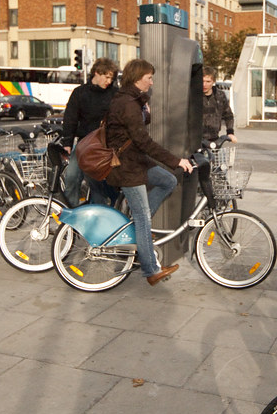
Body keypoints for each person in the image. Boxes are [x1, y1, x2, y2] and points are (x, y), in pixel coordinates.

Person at [105, 59, 193, 286]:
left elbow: (135, 128)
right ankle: (150, 270)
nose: (152, 83)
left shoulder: (133, 100)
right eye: (149, 78)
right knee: (144, 218)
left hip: (136, 161)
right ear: (136, 78)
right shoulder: (127, 103)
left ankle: (138, 229)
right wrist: (176, 160)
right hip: (126, 167)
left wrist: (146, 109)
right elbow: (143, 141)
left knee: (167, 181)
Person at [60, 57, 119, 205]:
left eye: (112, 78)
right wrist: (67, 142)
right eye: (107, 77)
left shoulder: (114, 94)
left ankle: (99, 216)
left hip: (104, 147)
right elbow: (70, 118)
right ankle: (71, 217)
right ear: (97, 73)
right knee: (72, 178)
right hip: (84, 144)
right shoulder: (80, 93)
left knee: (97, 184)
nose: (109, 81)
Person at [201, 66, 236, 144]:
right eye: (202, 81)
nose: (204, 85)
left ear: (213, 81)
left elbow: (228, 115)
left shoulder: (220, 95)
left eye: (208, 81)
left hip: (214, 139)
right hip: (196, 141)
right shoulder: (193, 95)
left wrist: (230, 132)